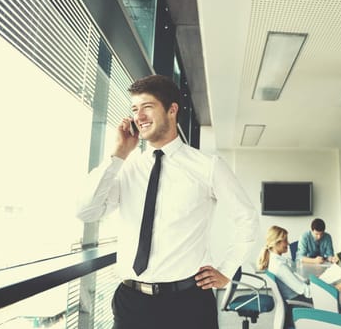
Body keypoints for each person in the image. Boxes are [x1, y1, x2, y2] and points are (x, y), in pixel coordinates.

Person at [76, 75, 258, 329]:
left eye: (147, 107)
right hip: (131, 303)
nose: (139, 116)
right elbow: (86, 211)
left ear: (172, 110)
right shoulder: (127, 168)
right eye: (135, 109)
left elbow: (247, 218)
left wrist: (227, 270)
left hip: (188, 304)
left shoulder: (208, 167)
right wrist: (117, 154)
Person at [257, 226, 341, 326]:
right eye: (285, 240)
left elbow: (297, 282)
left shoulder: (275, 260)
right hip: (300, 302)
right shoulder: (280, 266)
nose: (288, 243)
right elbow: (308, 292)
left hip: (296, 299)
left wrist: (314, 281)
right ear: (277, 243)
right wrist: (335, 288)